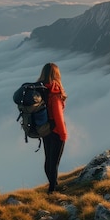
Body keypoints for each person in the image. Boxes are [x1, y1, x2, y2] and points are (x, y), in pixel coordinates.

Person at [37, 63, 68, 194]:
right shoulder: (54, 92)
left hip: (45, 130)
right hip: (55, 131)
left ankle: (53, 184)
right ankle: (53, 190)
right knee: (54, 162)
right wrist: (63, 134)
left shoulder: (40, 90)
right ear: (56, 74)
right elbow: (58, 115)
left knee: (48, 160)